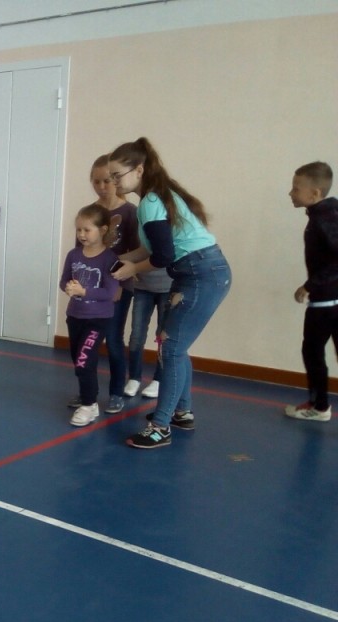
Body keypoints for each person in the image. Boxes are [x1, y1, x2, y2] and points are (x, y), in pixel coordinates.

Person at [109, 137, 232, 449]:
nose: (114, 183)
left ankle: (160, 428)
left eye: (117, 176)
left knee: (172, 348)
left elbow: (162, 257)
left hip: (201, 273)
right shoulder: (156, 196)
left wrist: (132, 269)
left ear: (139, 170)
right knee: (175, 345)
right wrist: (119, 260)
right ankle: (182, 413)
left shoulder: (150, 202)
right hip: (197, 271)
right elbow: (149, 249)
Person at [83, 155, 140, 414]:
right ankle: (88, 394)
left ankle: (116, 392)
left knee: (114, 340)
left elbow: (135, 252)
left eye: (106, 180)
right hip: (91, 288)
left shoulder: (129, 213)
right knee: (89, 341)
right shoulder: (90, 212)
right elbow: (81, 250)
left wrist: (118, 284)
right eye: (96, 181)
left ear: (116, 180)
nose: (102, 186)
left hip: (117, 287)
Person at [284, 161, 338, 422]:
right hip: (328, 298)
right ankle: (319, 405)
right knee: (313, 352)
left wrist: (310, 285)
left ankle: (319, 407)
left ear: (315, 193)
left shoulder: (325, 219)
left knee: (312, 352)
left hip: (328, 302)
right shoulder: (325, 214)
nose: (291, 193)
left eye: (296, 188)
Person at [60, 203, 120, 427]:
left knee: (84, 361)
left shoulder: (109, 259)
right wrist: (69, 287)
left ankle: (88, 404)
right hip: (75, 316)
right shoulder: (73, 254)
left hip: (97, 320)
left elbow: (110, 293)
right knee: (79, 360)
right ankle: (89, 399)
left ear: (102, 230)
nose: (82, 234)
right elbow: (64, 280)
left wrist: (84, 291)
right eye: (79, 230)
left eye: (87, 230)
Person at [125, 242, 172, 400]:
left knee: (162, 336)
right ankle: (134, 378)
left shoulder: (172, 230)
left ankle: (159, 380)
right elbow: (136, 250)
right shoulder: (141, 229)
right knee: (136, 334)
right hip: (142, 286)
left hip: (168, 287)